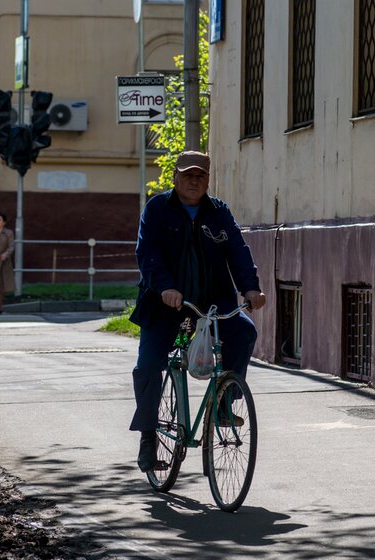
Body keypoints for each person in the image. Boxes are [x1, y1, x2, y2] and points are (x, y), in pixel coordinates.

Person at [129, 150, 266, 472]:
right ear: (175, 178)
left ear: (208, 179)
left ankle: (223, 403)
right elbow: (147, 252)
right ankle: (148, 437)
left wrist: (250, 288)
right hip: (165, 305)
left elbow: (238, 250)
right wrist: (165, 287)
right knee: (148, 366)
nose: (194, 181)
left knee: (244, 332)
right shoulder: (158, 208)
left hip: (211, 305)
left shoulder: (219, 212)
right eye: (187, 175)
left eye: (200, 175)